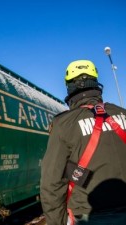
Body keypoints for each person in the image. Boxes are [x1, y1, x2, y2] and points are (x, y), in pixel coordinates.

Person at [40, 59, 126, 225]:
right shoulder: (122, 113)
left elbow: (52, 182)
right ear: (96, 82)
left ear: (70, 87)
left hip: (89, 217)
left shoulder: (63, 124)